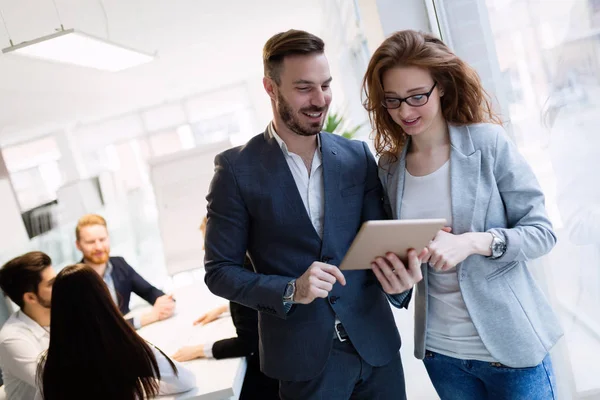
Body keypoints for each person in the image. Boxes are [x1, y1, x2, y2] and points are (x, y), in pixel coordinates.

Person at [204, 29, 425, 400]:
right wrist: (292, 290)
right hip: (303, 361)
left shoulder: (356, 156)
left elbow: (379, 243)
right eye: (304, 88)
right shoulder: (236, 170)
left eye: (326, 85)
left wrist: (400, 283)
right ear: (270, 88)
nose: (320, 100)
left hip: (375, 349)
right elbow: (219, 271)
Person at [362, 30, 562, 399]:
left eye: (416, 96)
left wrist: (472, 242)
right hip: (442, 354)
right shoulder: (389, 168)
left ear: (441, 86)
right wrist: (399, 286)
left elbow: (542, 232)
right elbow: (403, 259)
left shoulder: (488, 144)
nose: (405, 111)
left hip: (511, 353)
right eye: (392, 100)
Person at [35, 264, 195, 400]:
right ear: (103, 297)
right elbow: (186, 381)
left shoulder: (47, 362)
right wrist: (143, 387)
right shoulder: (126, 347)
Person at [172, 217, 279, 399]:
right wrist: (224, 309)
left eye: (207, 246)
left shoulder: (240, 272)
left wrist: (199, 350)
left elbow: (248, 343)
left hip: (270, 377)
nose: (204, 251)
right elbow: (256, 306)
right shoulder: (253, 259)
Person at [76, 214, 175, 329]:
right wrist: (148, 317)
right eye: (91, 242)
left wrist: (165, 302)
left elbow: (149, 291)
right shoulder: (75, 279)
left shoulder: (119, 264)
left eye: (102, 239)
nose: (98, 246)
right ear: (78, 245)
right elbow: (96, 328)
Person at [0, 252, 55, 400]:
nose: (59, 286)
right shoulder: (12, 339)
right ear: (30, 297)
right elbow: (57, 384)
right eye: (51, 284)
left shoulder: (65, 313)